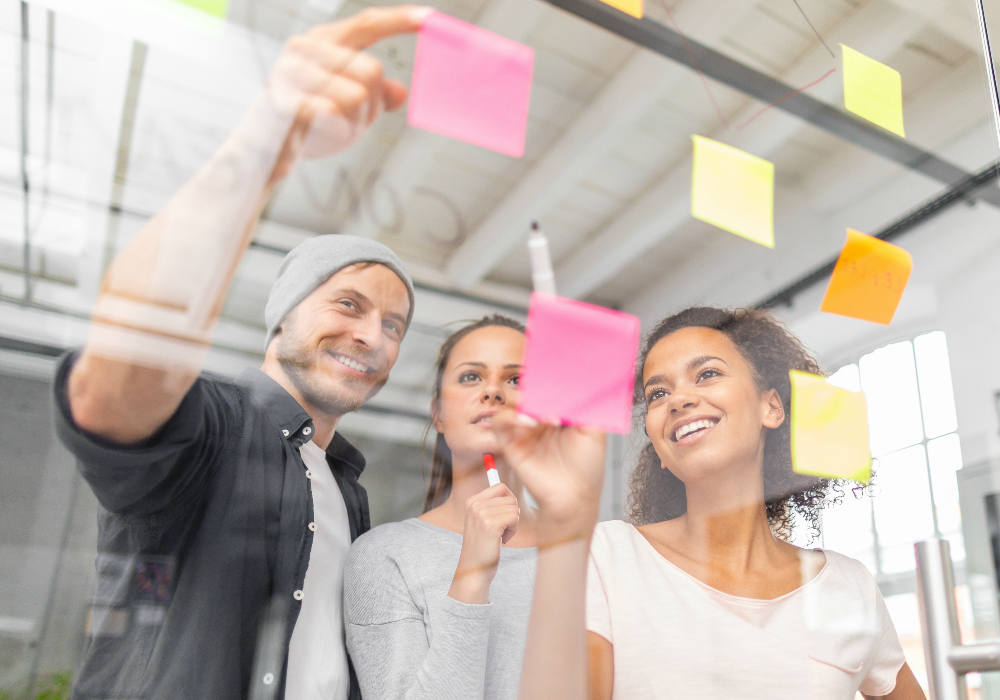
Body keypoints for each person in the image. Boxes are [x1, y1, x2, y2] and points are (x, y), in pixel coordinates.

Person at [53, 6, 430, 700]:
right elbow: (111, 387)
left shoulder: (348, 488)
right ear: (280, 316)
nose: (372, 336)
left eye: (395, 325)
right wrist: (265, 144)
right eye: (348, 304)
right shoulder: (208, 426)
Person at [492, 307, 926, 700]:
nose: (678, 399)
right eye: (658, 394)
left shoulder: (848, 587)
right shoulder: (608, 556)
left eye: (707, 374)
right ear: (659, 450)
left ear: (771, 407)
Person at [344, 315, 537, 700]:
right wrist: (471, 576)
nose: (493, 392)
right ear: (438, 413)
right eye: (471, 377)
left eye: (517, 380)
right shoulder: (385, 556)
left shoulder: (596, 552)